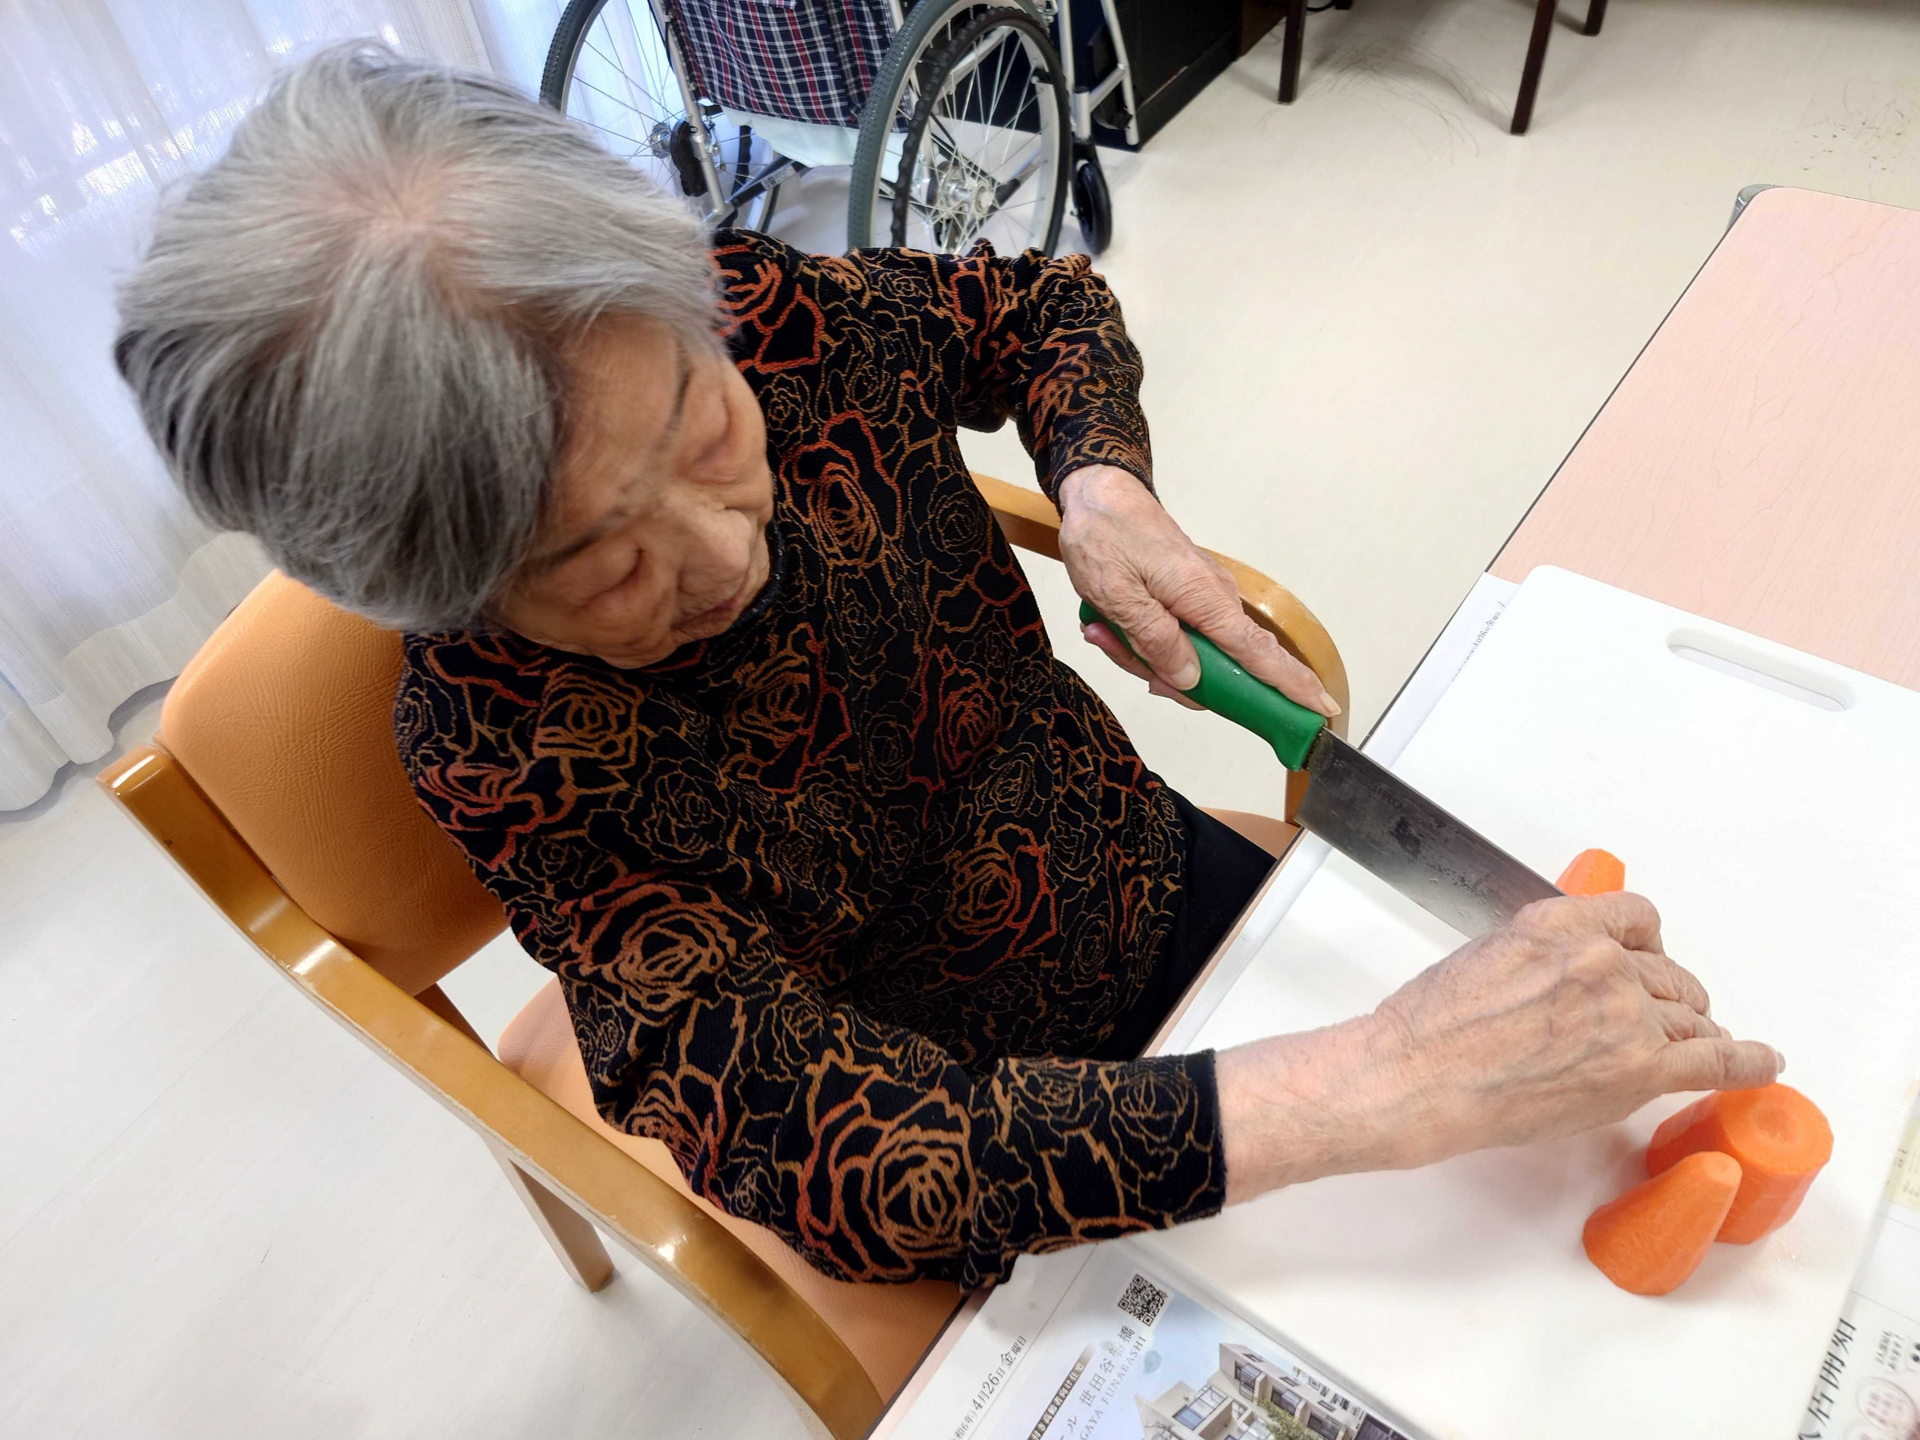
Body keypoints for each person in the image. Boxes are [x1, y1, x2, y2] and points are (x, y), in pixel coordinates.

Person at [113, 43, 1780, 1291]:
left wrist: (1102, 485)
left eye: (704, 427)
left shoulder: (752, 310)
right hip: (985, 1111)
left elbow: (1036, 306)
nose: (722, 550)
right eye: (602, 561)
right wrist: (1382, 1084)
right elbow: (808, 1140)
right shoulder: (503, 744)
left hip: (1131, 859)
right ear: (445, 596)